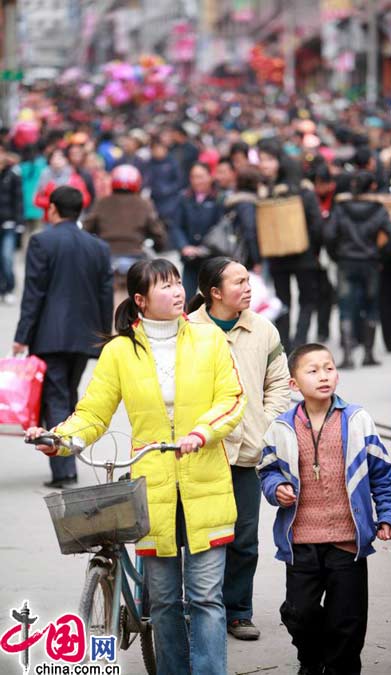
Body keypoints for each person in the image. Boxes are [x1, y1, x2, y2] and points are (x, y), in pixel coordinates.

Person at [26, 257, 247, 675]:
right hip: (155, 489)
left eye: (179, 282)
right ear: (141, 300)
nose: (178, 291)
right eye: (165, 286)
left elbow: (232, 399)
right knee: (162, 602)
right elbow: (93, 412)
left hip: (205, 481)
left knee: (206, 598)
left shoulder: (208, 340)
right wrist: (59, 440)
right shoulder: (119, 352)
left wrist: (201, 432)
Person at [257, 343, 391, 675]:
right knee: (300, 612)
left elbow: (381, 472)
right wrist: (275, 488)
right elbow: (266, 470)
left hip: (347, 541)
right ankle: (311, 659)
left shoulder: (357, 420)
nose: (324, 376)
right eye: (313, 370)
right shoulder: (282, 427)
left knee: (347, 623)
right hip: (302, 542)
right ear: (294, 384)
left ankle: (340, 668)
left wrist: (388, 514)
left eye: (329, 368)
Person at [189, 257, 291, 640]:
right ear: (214, 293)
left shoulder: (263, 329)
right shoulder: (188, 330)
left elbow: (279, 382)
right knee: (196, 535)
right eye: (239, 282)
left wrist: (265, 423)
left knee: (244, 538)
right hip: (200, 451)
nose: (249, 288)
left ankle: (237, 611)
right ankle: (195, 608)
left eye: (249, 281)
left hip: (247, 452)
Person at [13, 186, 113, 488]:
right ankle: (67, 456)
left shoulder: (42, 241)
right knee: (68, 395)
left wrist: (22, 336)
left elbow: (34, 293)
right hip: (84, 336)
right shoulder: (98, 247)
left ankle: (64, 469)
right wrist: (103, 335)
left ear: (53, 209)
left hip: (50, 334)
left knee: (56, 398)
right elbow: (105, 294)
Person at [324, 170, 391, 368]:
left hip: (346, 262)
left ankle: (348, 355)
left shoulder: (341, 208)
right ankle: (368, 354)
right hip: (371, 263)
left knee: (345, 308)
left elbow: (329, 234)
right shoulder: (378, 209)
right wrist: (380, 255)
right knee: (371, 307)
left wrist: (336, 255)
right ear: (372, 186)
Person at [257, 141, 323, 351]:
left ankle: (292, 343)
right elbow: (317, 224)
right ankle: (291, 343)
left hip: (297, 256)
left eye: (268, 159)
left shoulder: (297, 190)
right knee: (288, 301)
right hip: (290, 257)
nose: (264, 165)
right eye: (261, 160)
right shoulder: (266, 189)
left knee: (298, 300)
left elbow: (315, 223)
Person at [171, 162, 223, 301]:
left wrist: (205, 248)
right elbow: (176, 226)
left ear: (209, 177)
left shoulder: (218, 198)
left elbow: (220, 227)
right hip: (190, 258)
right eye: (193, 177)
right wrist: (184, 246)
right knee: (186, 298)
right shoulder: (184, 198)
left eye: (200, 176)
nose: (197, 181)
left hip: (212, 257)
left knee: (213, 298)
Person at [34, 148, 91, 223]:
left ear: (66, 160)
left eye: (59, 158)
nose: (56, 161)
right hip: (50, 221)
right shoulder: (45, 178)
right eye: (54, 158)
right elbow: (37, 199)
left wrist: (67, 203)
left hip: (72, 220)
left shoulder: (74, 179)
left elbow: (85, 199)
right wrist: (56, 203)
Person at [0, 141, 23, 304]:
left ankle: (9, 288)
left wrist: (18, 222)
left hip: (8, 223)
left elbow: (18, 200)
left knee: (7, 258)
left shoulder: (13, 175)